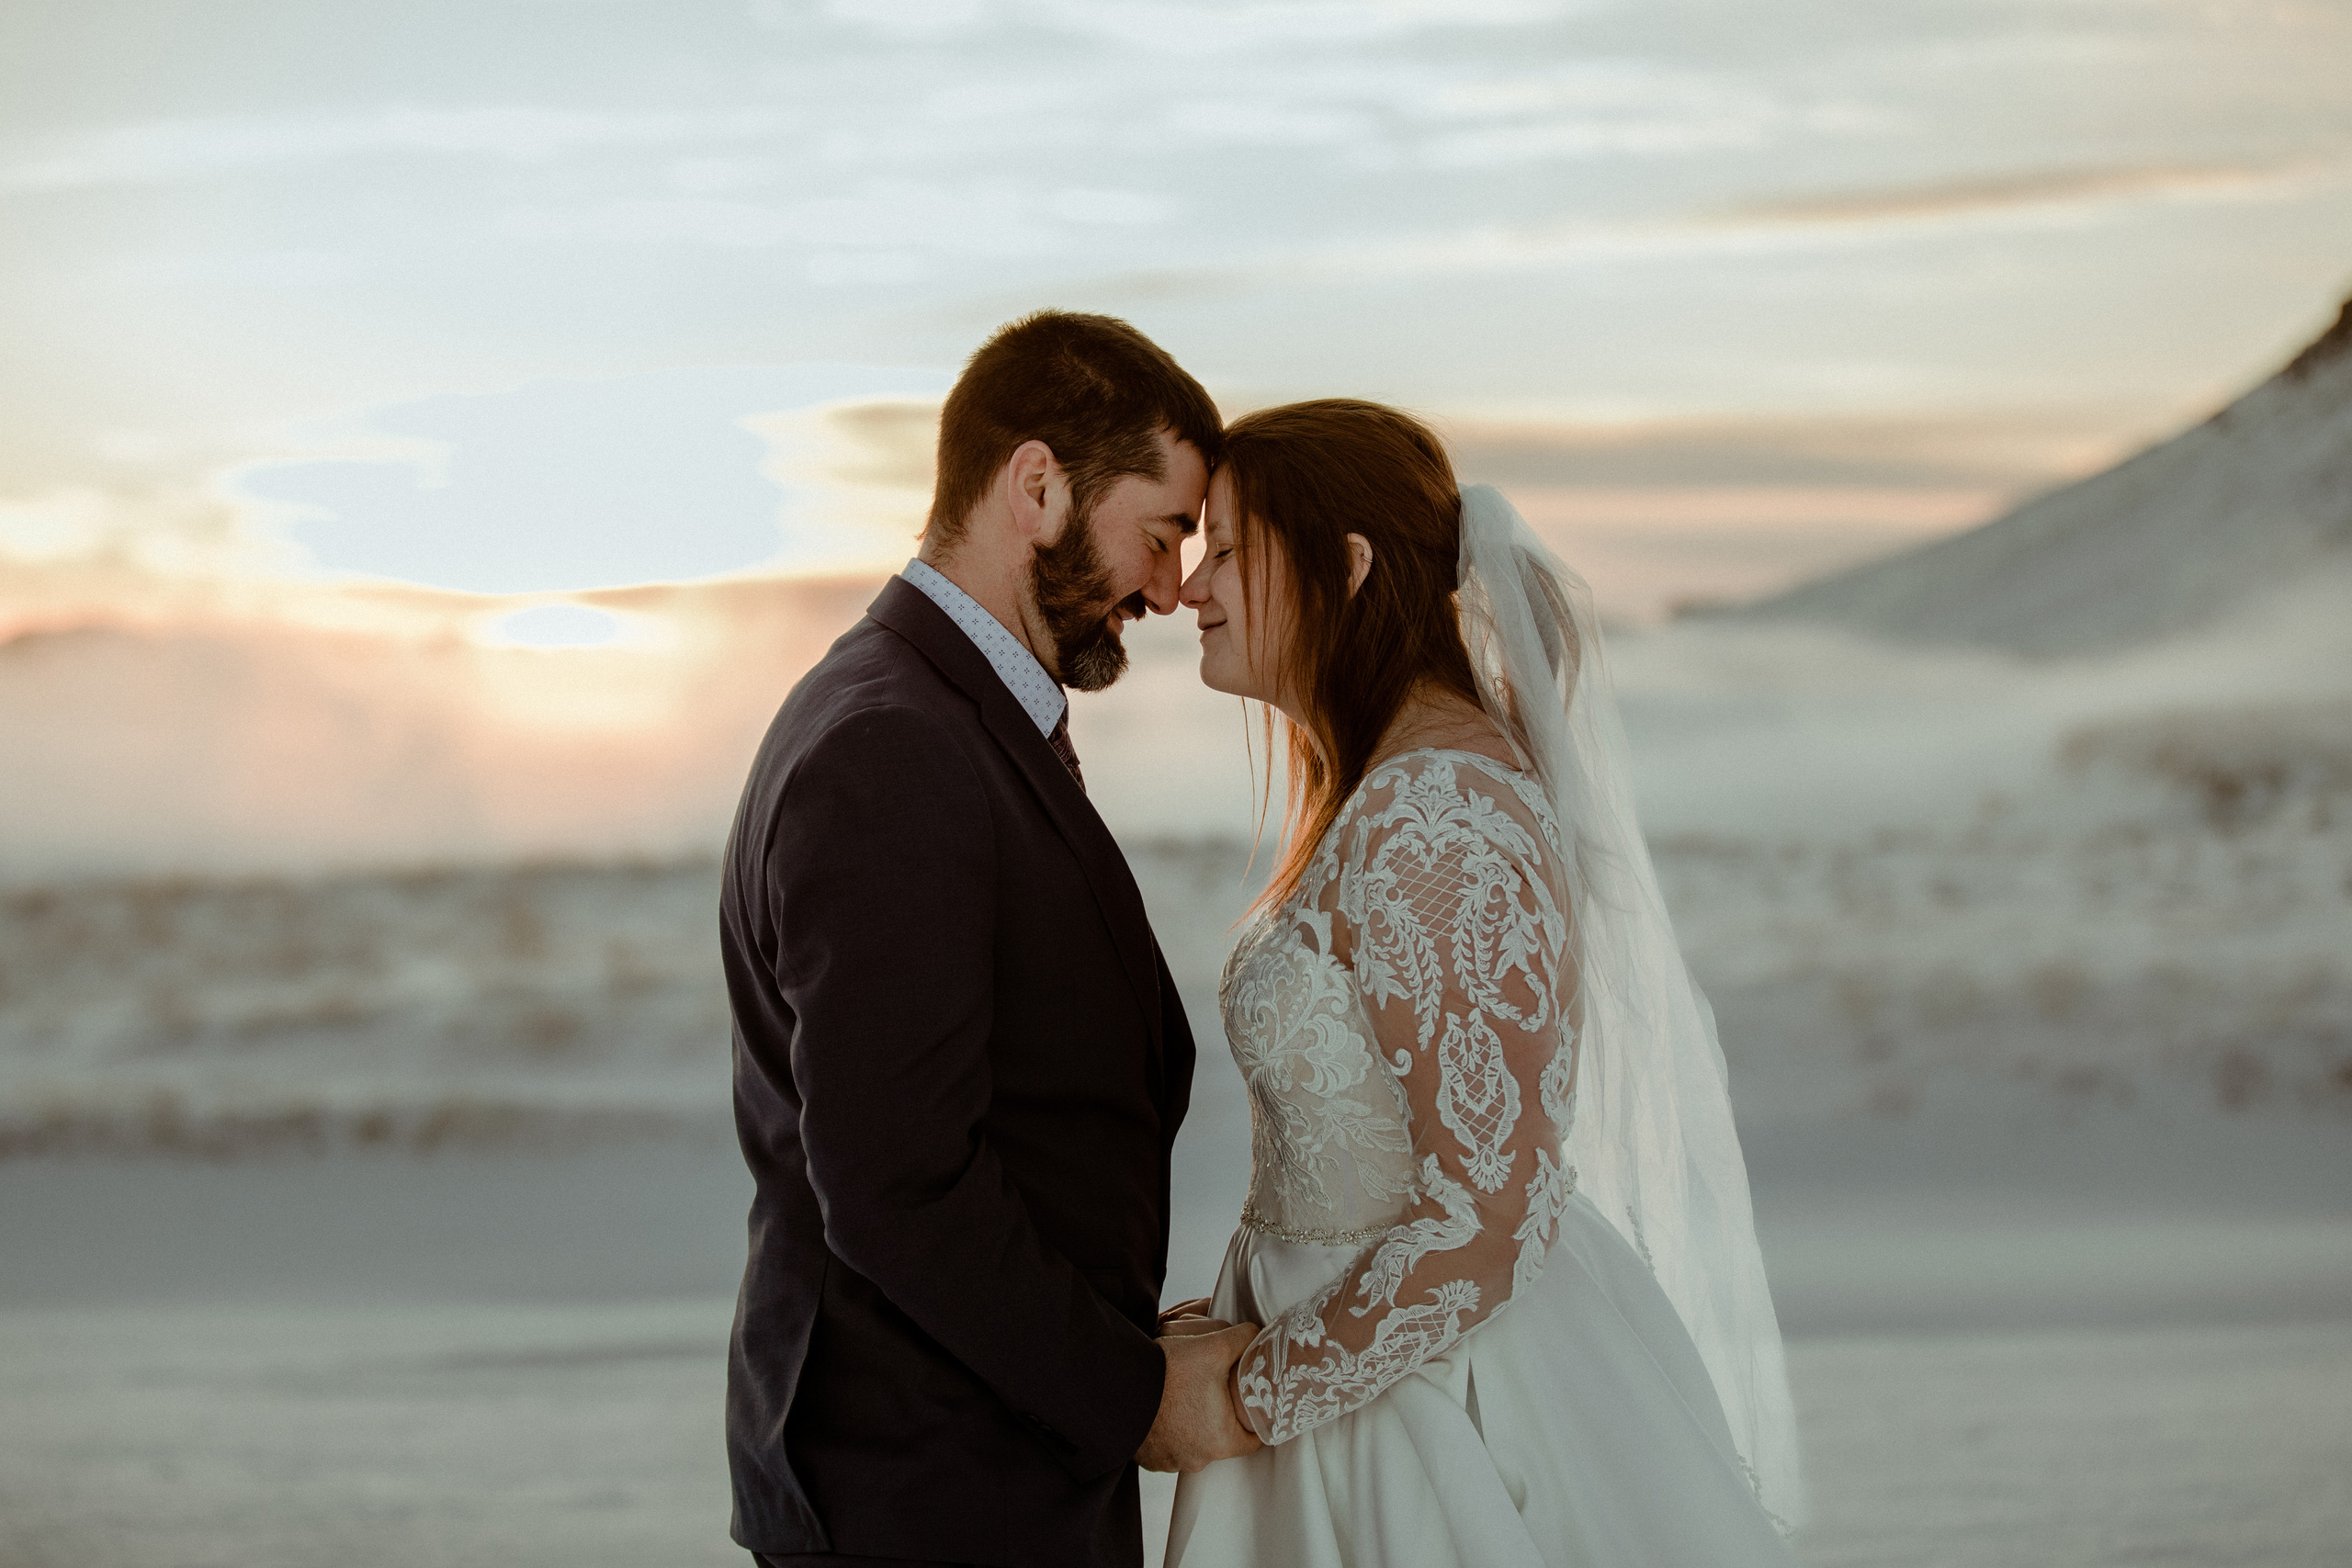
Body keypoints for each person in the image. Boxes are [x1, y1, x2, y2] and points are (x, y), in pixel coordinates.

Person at [1163, 400, 1805, 1566]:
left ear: (1344, 567)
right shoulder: (1399, 791)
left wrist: (1249, 1396)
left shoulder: (1437, 817)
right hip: (1353, 1361)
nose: (1190, 589)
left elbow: (1485, 1219)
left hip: (1424, 1400)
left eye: (1229, 549)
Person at [719, 310, 1261, 1568]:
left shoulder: (945, 714)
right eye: (1164, 527)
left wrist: (1124, 1338)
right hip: (924, 1489)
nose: (1172, 585)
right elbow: (897, 1179)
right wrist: (1131, 1394)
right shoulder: (892, 747)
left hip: (974, 1454)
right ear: (1038, 484)